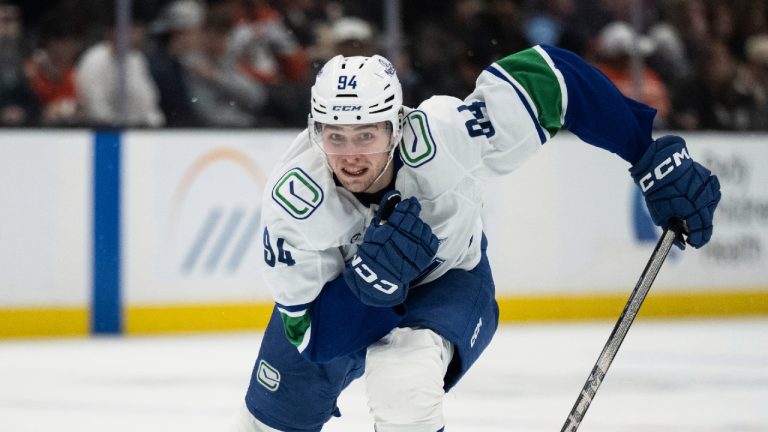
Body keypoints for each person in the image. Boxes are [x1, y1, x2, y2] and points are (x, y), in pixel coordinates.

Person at [230, 45, 721, 431]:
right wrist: (369, 289)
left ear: (397, 126)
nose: (350, 154)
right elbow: (308, 334)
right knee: (264, 427)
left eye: (367, 135)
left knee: (405, 380)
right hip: (337, 303)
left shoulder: (448, 135)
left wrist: (646, 155)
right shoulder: (295, 205)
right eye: (335, 136)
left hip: (449, 280)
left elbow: (555, 78)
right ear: (316, 132)